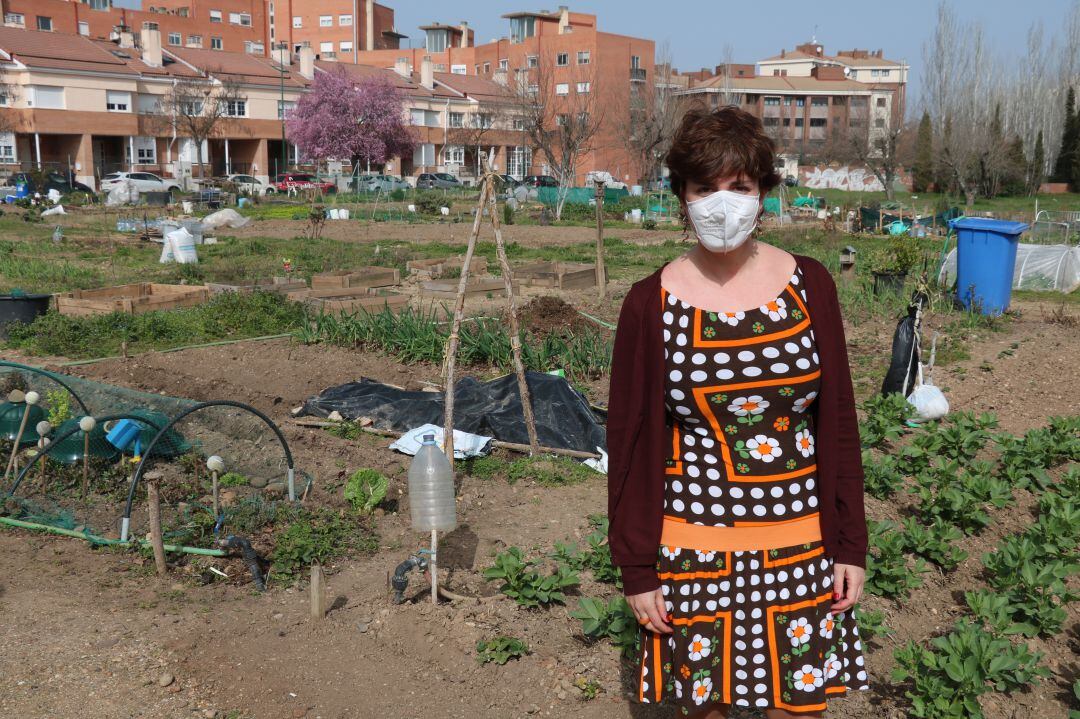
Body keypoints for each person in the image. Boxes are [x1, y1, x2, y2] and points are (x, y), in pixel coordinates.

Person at [606, 106, 870, 718]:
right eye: (705, 188)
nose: (723, 205)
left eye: (740, 187)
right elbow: (632, 443)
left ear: (764, 194)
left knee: (796, 706)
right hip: (692, 547)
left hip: (801, 544)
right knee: (706, 710)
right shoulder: (650, 304)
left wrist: (850, 543)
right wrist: (638, 568)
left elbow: (838, 423)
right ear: (681, 195)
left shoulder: (812, 285)